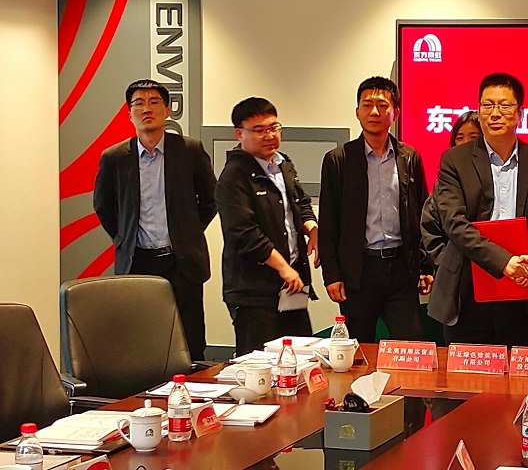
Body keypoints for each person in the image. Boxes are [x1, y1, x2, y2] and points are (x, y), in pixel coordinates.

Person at [424, 73, 528, 347]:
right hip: (466, 291)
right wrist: (504, 261)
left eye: (504, 105)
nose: (495, 113)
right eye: (487, 105)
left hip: (523, 289)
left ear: (519, 113)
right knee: (466, 370)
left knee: (519, 370)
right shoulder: (454, 160)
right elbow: (454, 223)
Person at [93, 79, 217, 360]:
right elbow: (103, 205)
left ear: (167, 110)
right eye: (138, 103)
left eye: (154, 102)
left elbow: (211, 198)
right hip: (138, 260)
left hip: (182, 260)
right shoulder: (114, 157)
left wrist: (189, 231)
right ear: (129, 113)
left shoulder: (189, 150)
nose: (146, 109)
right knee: (141, 338)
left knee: (190, 339)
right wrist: (124, 237)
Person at [319, 76, 432, 343]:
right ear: (357, 111)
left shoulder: (409, 157)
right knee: (359, 347)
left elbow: (422, 215)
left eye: (382, 105)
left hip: (401, 268)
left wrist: (426, 266)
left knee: (410, 343)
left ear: (396, 113)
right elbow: (329, 221)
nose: (374, 112)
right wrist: (331, 275)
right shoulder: (339, 159)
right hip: (358, 270)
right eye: (367, 105)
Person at [216, 97, 319, 356]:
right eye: (259, 130)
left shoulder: (283, 164)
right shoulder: (234, 176)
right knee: (260, 363)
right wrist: (284, 268)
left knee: (300, 358)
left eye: (274, 127)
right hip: (254, 291)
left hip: (291, 287)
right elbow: (245, 234)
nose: (269, 136)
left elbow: (300, 202)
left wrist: (312, 229)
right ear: (239, 134)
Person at [422, 111, 482, 268]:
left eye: (473, 137)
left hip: (491, 267)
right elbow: (430, 231)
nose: (465, 143)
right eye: (460, 137)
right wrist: (449, 268)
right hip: (452, 270)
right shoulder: (444, 183)